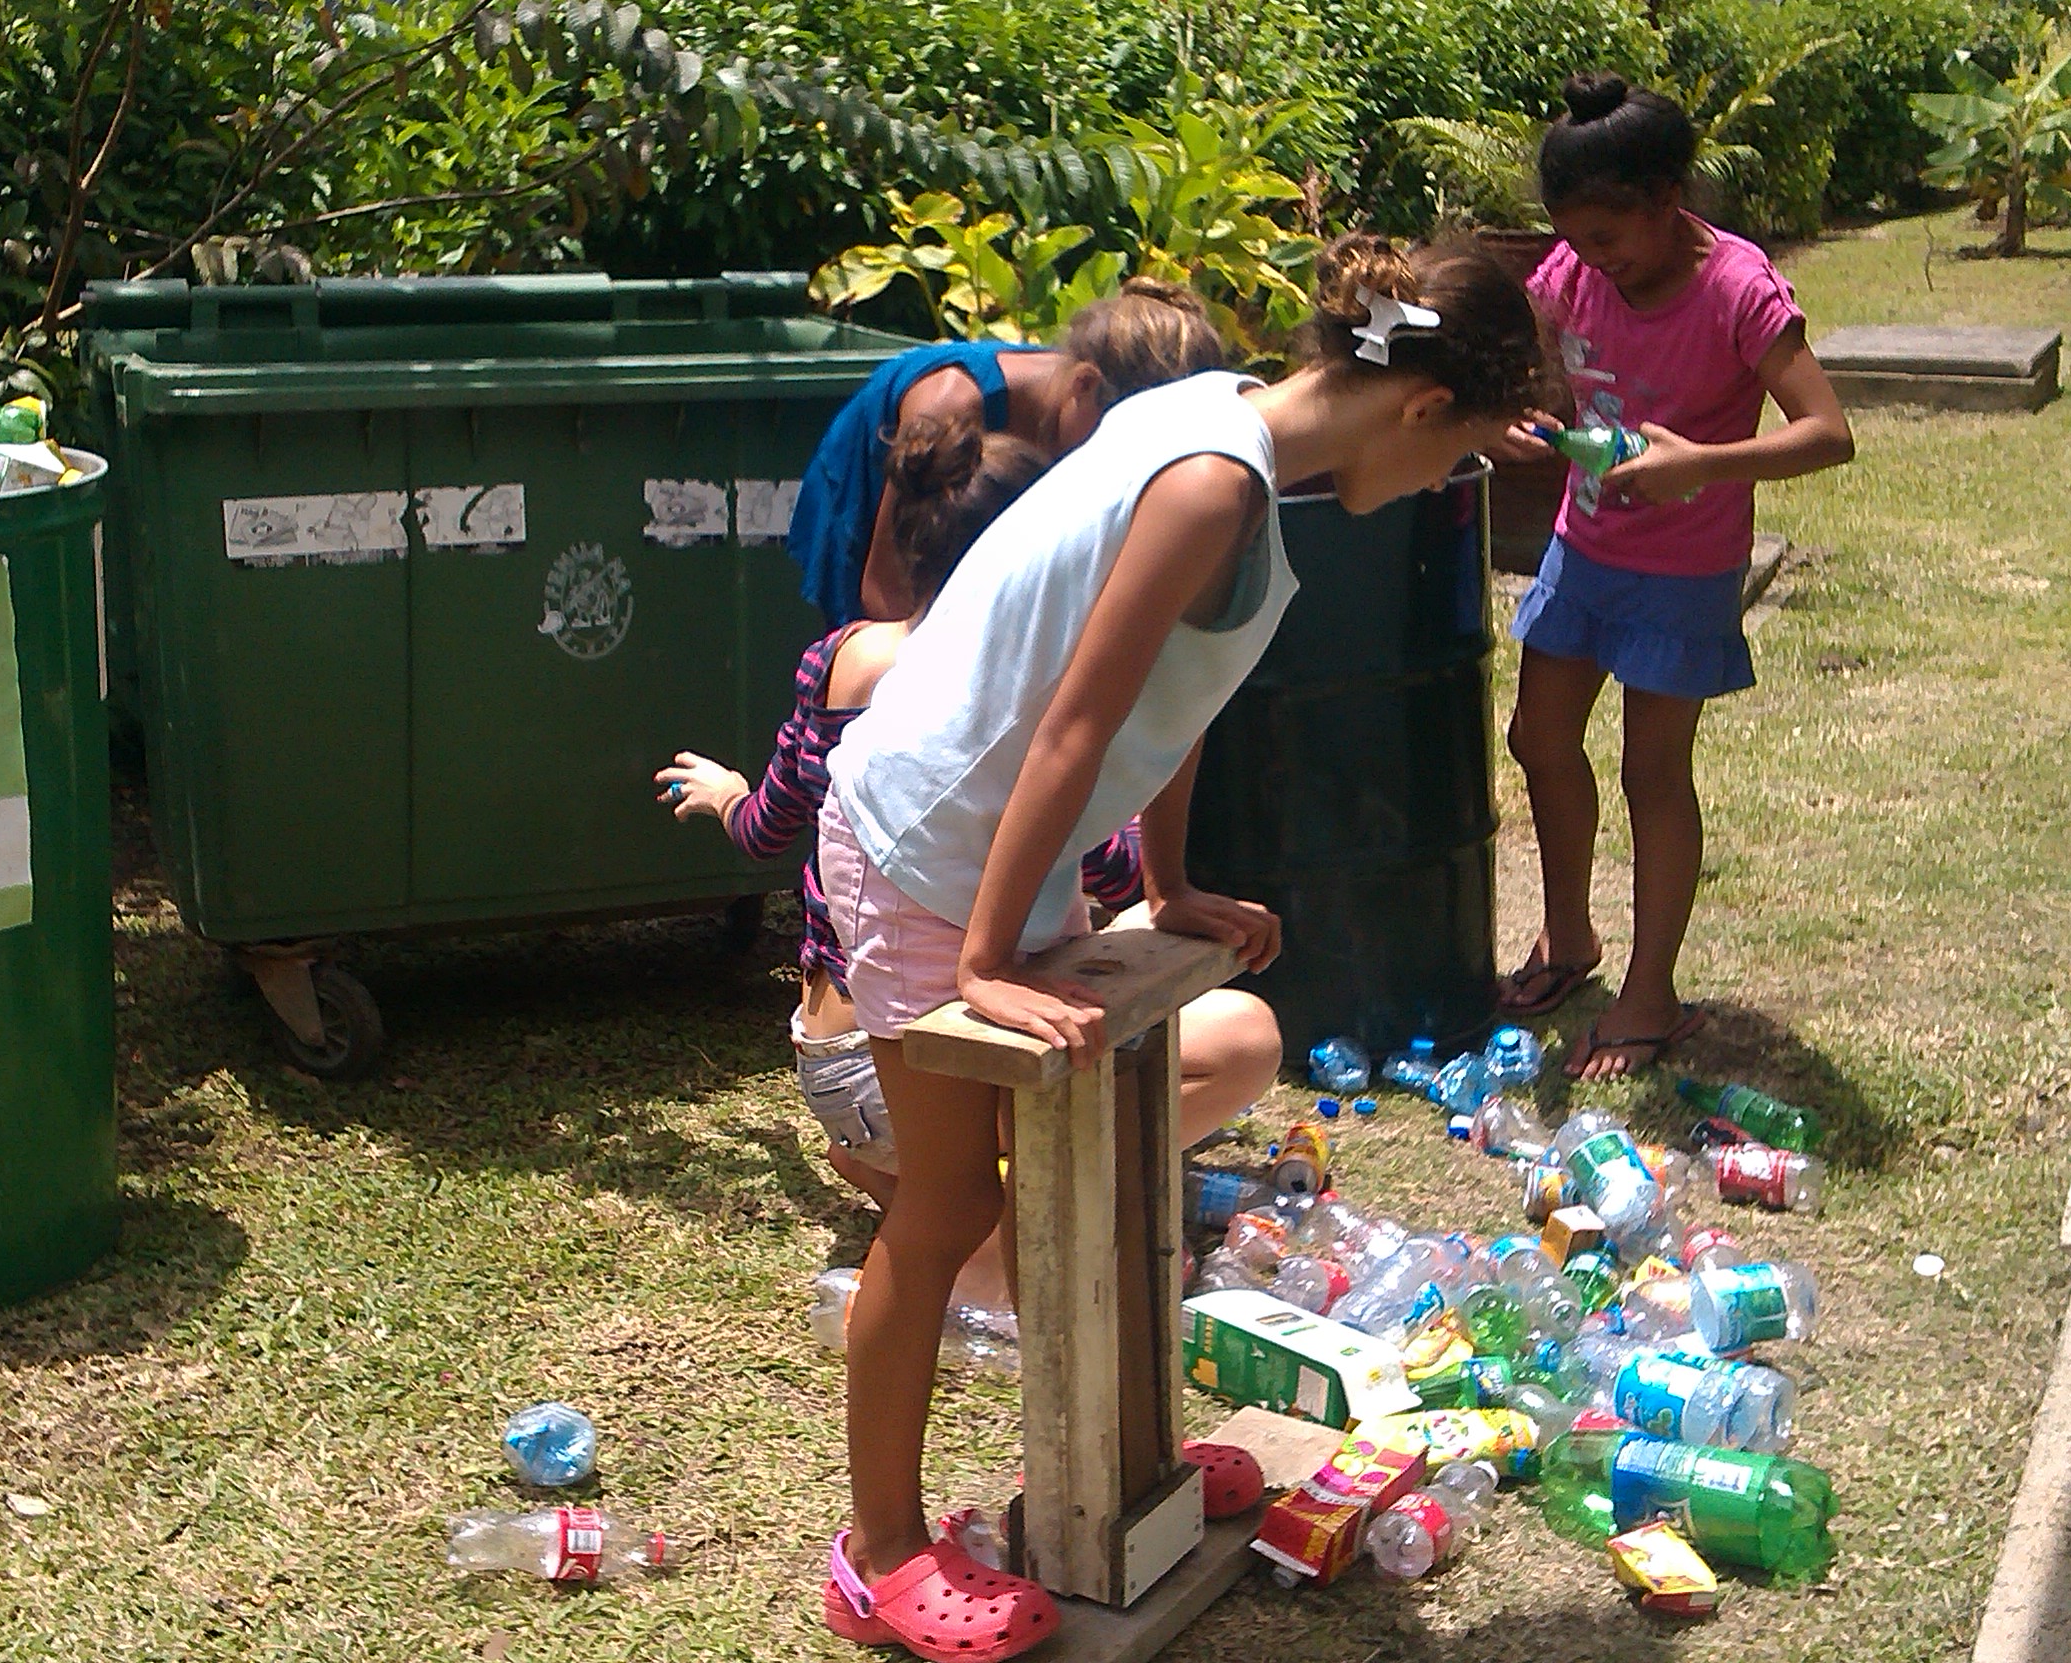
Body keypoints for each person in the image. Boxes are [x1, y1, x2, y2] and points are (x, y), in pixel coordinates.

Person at [814, 233, 1548, 1662]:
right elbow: (1080, 713)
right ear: (1413, 407)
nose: (1444, 483)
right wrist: (979, 960)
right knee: (952, 1200)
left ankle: (1101, 1475)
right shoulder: (1212, 480)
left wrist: (1175, 879)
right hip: (926, 842)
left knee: (1082, 1179)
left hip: (991, 849)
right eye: (1459, 450)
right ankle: (881, 1554)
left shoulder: (1218, 430)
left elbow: (1171, 696)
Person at [656, 418, 1150, 1303]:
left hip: (840, 1062)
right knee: (1230, 1046)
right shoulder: (1022, 705)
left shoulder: (841, 663)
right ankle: (976, 1220)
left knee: (967, 1198)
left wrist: (731, 793)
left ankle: (917, 1184)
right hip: (927, 1060)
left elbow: (770, 828)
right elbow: (1116, 872)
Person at [1493, 74, 1854, 1081]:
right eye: (1576, 238)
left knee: (1655, 774)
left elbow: (1829, 436)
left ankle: (1652, 992)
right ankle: (1570, 942)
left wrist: (1699, 462)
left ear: (1668, 201)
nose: (1591, 261)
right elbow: (1548, 358)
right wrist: (1534, 418)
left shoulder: (1737, 289)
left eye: (1609, 237)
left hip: (1682, 573)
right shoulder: (1577, 269)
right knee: (1539, 737)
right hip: (1585, 547)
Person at [786, 279, 1228, 626]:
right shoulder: (949, 406)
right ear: (1084, 385)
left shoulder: (1076, 406)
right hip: (869, 525)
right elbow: (884, 591)